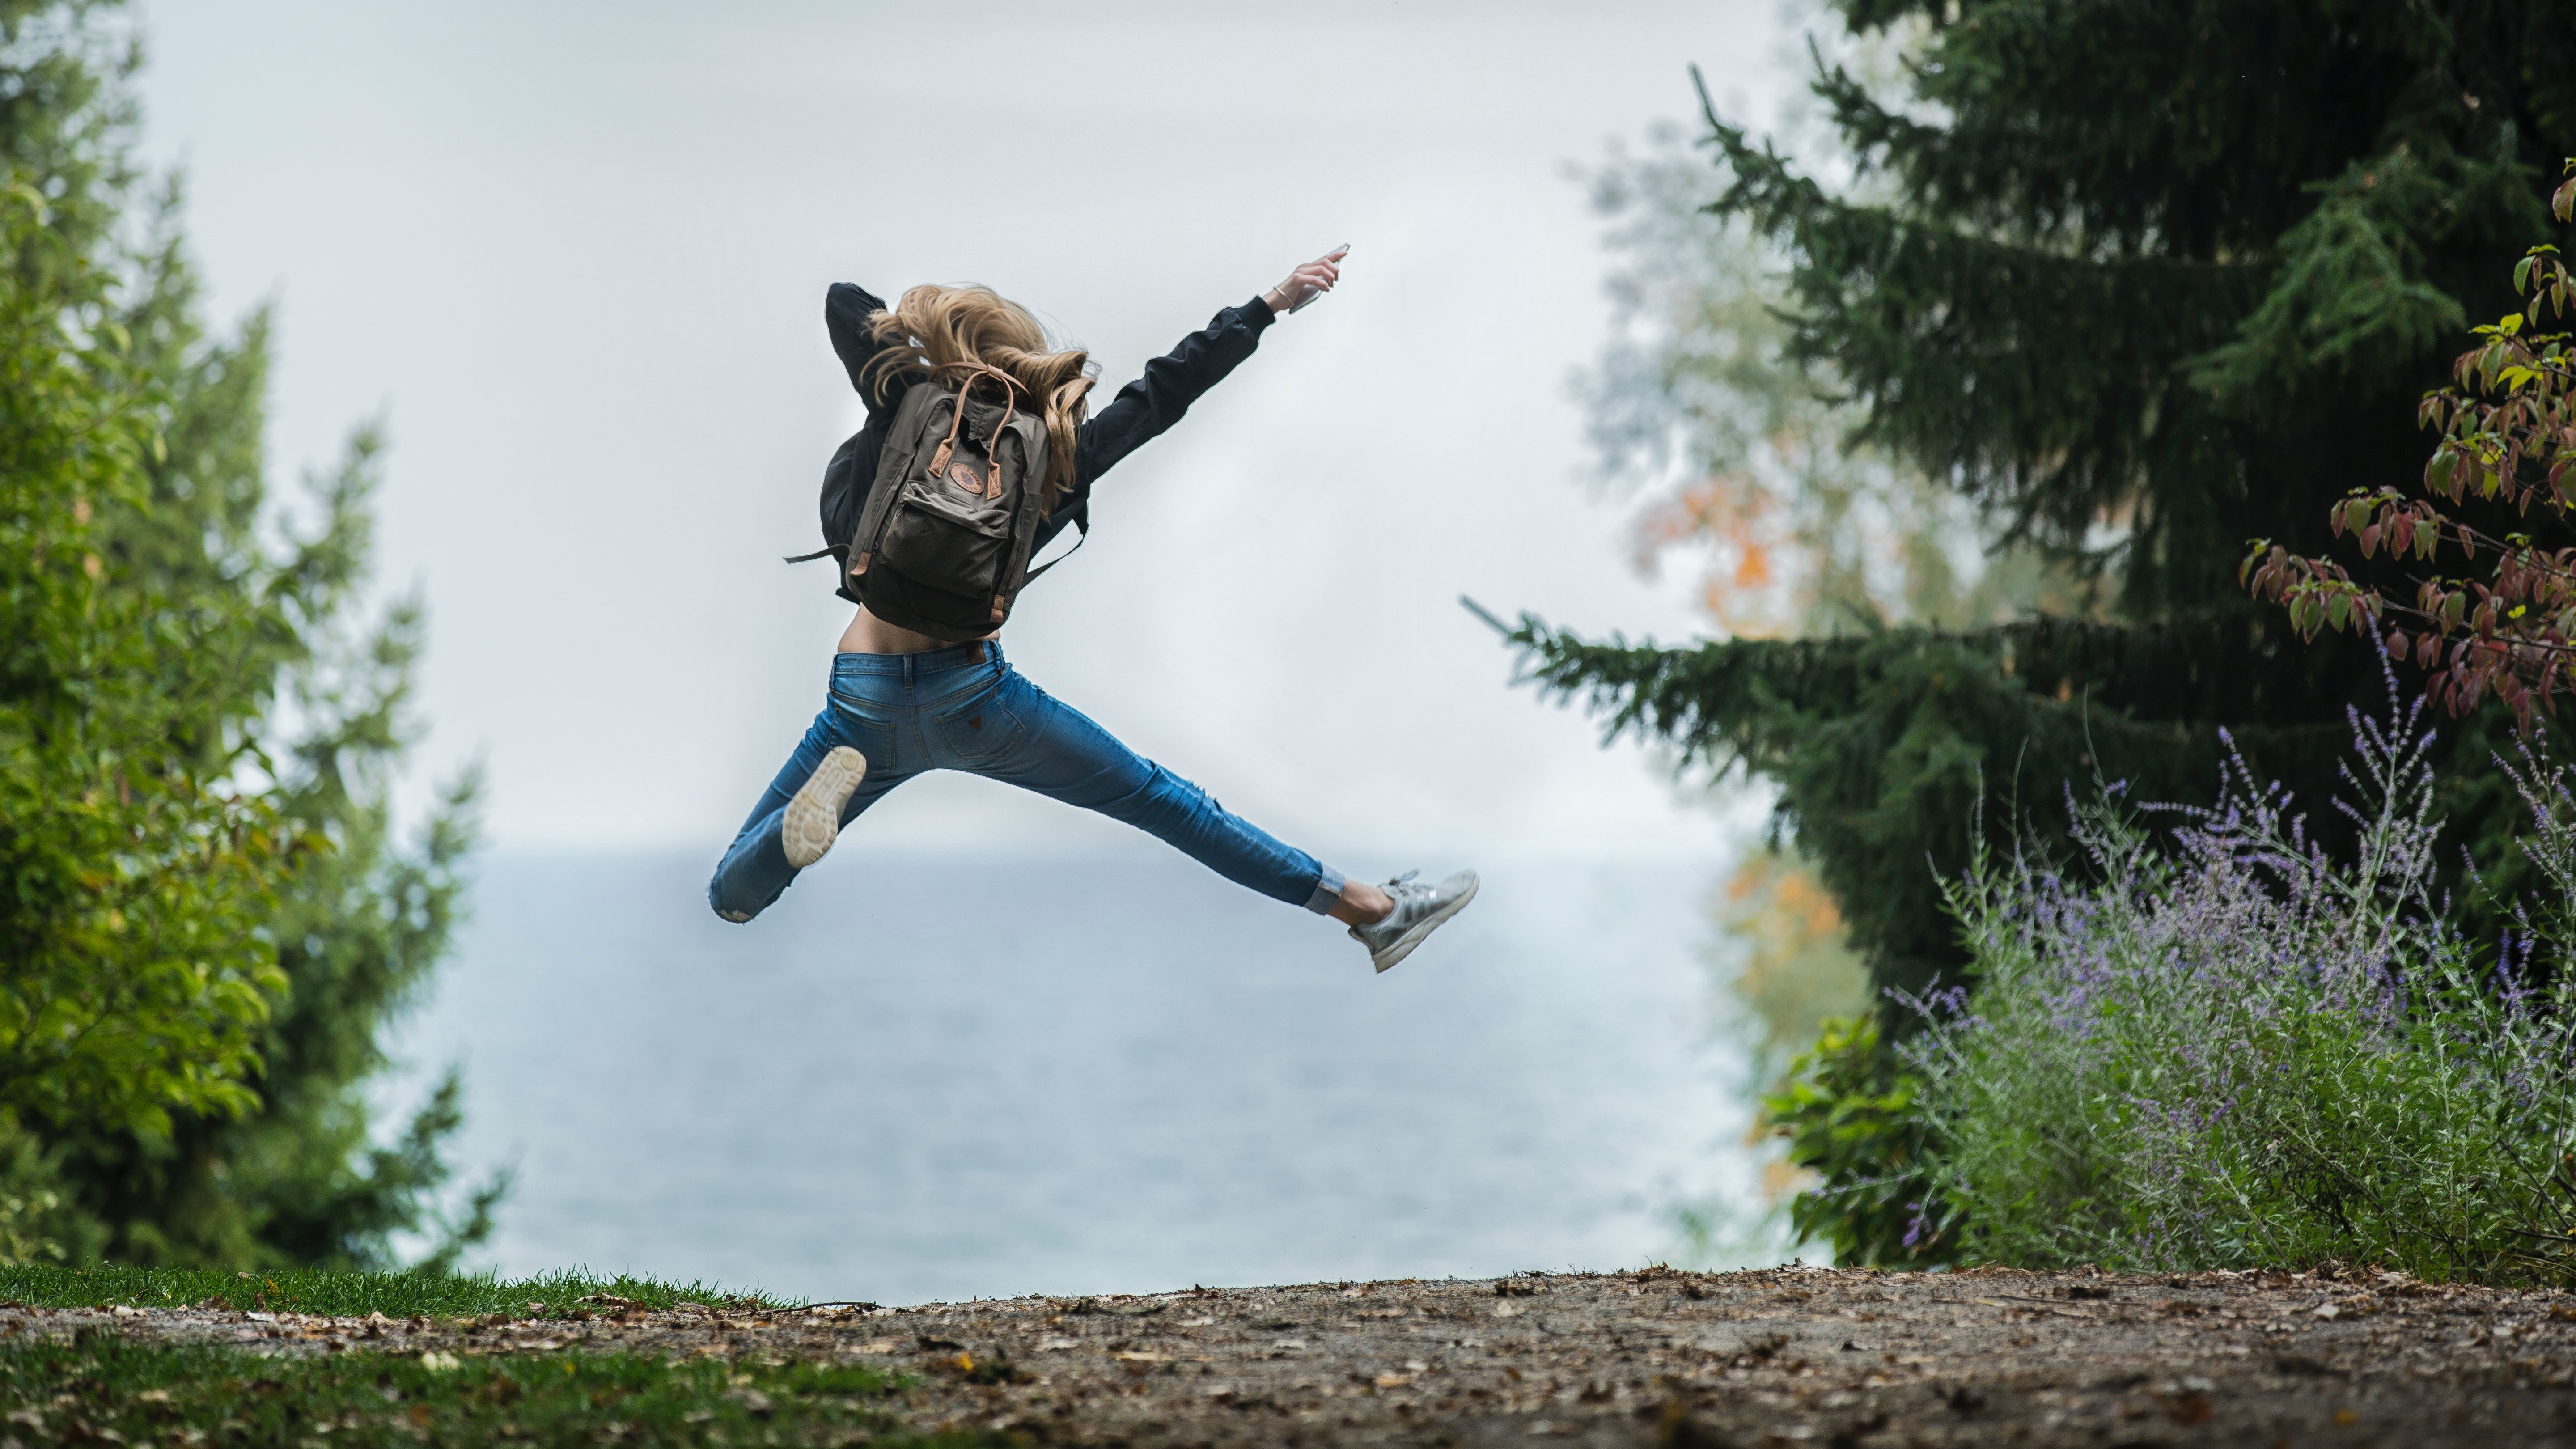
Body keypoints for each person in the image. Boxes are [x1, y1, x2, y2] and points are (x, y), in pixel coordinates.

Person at [706, 249, 1479, 973]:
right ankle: (1370, 911)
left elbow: (847, 304)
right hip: (975, 700)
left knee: (731, 896)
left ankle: (786, 841)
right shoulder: (1054, 454)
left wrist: (931, 351)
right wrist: (1270, 304)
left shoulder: (905, 406)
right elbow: (1163, 394)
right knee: (1166, 803)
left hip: (864, 697)